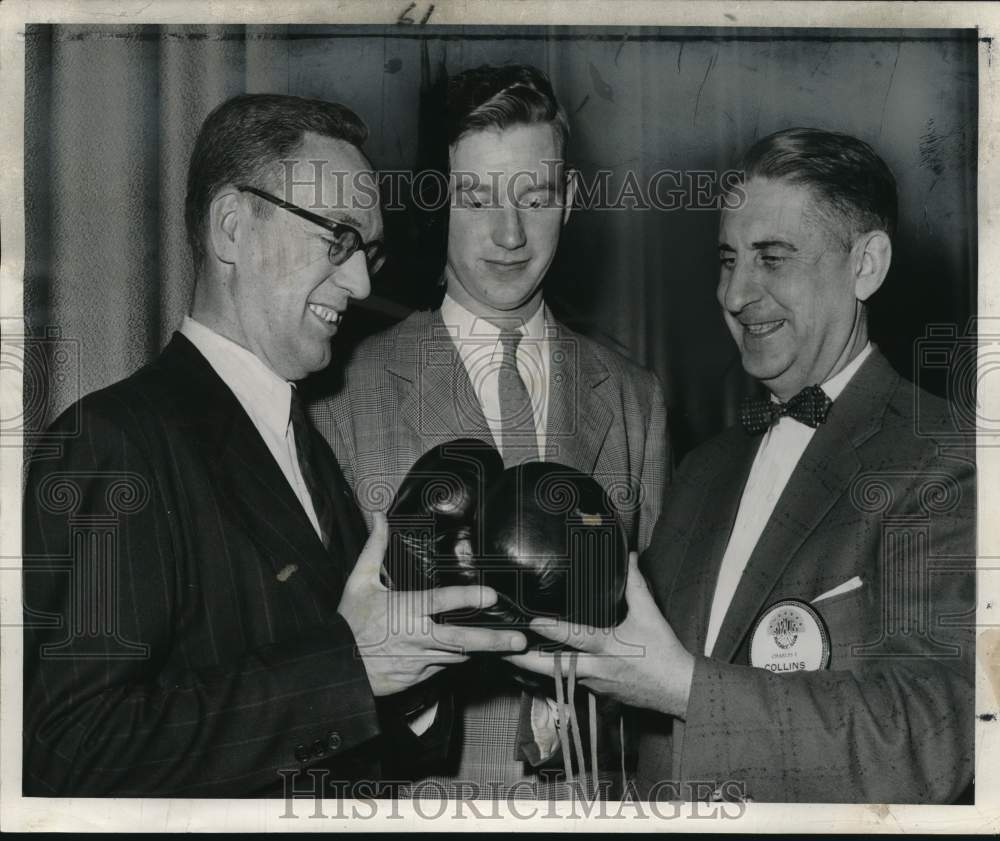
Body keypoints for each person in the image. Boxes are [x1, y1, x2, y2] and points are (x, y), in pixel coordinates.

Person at [21, 93, 526, 798]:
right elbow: (67, 751)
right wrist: (351, 667)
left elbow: (358, 725)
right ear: (232, 228)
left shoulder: (307, 448)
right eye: (338, 239)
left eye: (369, 252)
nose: (360, 282)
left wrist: (416, 670)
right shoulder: (114, 439)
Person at [508, 127, 976, 803]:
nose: (734, 293)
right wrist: (562, 694)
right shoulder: (703, 470)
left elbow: (930, 737)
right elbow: (655, 702)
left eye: (773, 258)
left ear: (866, 264)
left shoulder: (944, 460)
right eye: (728, 260)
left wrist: (680, 687)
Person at [312, 65, 668, 798]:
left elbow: (656, 662)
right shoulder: (337, 394)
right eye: (476, 198)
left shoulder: (636, 397)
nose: (509, 235)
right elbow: (308, 676)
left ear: (567, 201)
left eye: (534, 198)